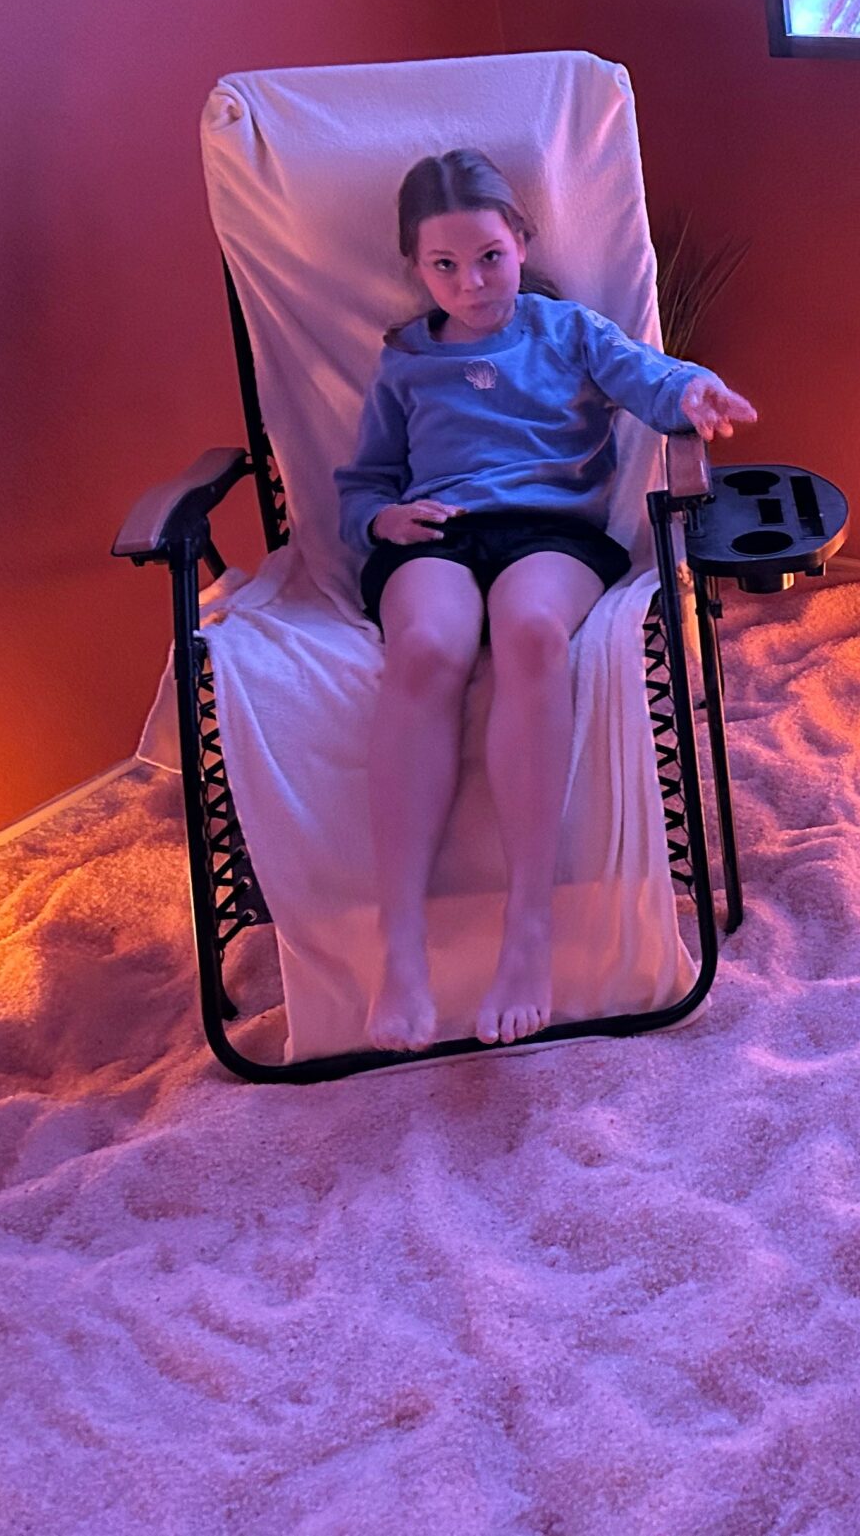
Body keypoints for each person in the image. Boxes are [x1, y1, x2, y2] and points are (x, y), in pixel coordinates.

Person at [335, 149, 757, 1050]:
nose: (471, 280)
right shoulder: (406, 361)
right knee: (428, 648)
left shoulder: (565, 331)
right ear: (414, 267)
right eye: (444, 265)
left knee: (530, 630)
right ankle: (400, 937)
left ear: (521, 240)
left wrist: (696, 390)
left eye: (489, 255)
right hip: (439, 530)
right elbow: (361, 481)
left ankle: (527, 925)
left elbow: (649, 375)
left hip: (550, 531)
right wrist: (380, 520)